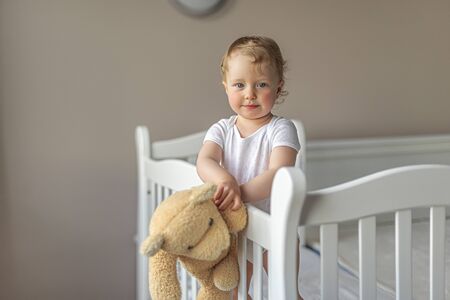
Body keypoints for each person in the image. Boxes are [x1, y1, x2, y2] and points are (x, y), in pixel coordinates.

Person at [196, 35, 302, 299]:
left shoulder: (281, 129)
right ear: (226, 88)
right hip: (237, 232)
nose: (250, 94)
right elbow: (205, 161)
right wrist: (225, 181)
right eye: (239, 84)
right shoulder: (221, 129)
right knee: (235, 293)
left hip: (275, 229)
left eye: (261, 84)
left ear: (278, 88)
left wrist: (238, 193)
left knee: (285, 292)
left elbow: (279, 173)